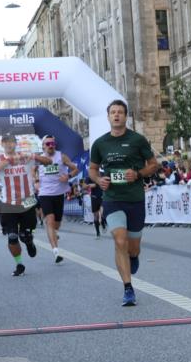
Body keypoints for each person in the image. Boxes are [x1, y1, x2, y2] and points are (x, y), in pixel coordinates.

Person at [89, 99, 159, 307]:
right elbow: (93, 169)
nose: (117, 115)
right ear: (108, 117)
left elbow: (153, 165)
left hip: (135, 198)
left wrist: (137, 173)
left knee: (133, 248)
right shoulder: (100, 143)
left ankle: (133, 256)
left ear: (125, 116)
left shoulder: (137, 140)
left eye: (120, 112)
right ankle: (128, 288)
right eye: (113, 112)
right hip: (112, 198)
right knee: (120, 241)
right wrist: (98, 180)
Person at [0, 134, 51, 276]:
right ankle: (19, 264)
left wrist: (34, 156)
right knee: (12, 237)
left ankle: (29, 241)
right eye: (6, 142)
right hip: (8, 203)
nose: (9, 144)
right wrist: (10, 160)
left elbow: (48, 161)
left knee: (25, 235)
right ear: (2, 144)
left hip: (27, 202)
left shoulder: (26, 156)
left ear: (15, 143)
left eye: (11, 142)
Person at [35, 135, 79, 264]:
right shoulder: (39, 158)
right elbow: (33, 170)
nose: (50, 146)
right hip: (45, 193)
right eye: (48, 144)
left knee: (57, 223)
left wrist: (68, 176)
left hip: (59, 193)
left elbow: (75, 169)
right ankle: (56, 251)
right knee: (50, 220)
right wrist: (35, 181)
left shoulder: (61, 156)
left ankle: (54, 232)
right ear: (43, 146)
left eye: (52, 143)